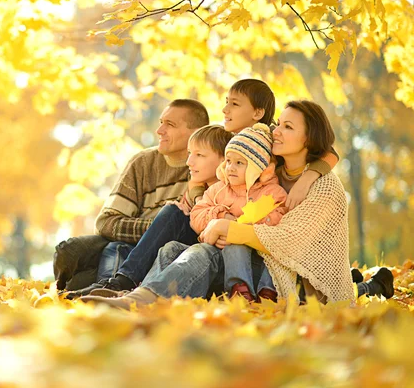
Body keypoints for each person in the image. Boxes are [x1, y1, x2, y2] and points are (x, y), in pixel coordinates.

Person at [81, 100, 393, 309]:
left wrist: (224, 226)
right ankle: (138, 295)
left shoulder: (324, 187)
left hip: (287, 279)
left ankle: (142, 301)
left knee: (203, 252)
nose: (276, 131)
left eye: (287, 127)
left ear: (309, 138)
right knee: (173, 250)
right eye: (278, 124)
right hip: (242, 262)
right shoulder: (269, 168)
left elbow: (287, 240)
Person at [53, 99, 209, 291]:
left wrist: (163, 228)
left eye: (170, 125)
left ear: (196, 133)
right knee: (69, 250)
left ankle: (108, 288)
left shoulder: (210, 166)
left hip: (172, 249)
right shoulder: (143, 163)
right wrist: (156, 229)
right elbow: (106, 222)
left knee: (85, 278)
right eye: (161, 122)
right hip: (128, 248)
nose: (159, 131)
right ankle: (107, 287)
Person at [66, 125, 233, 298]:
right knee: (122, 246)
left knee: (172, 213)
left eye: (199, 155)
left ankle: (123, 282)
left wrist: (198, 202)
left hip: (211, 258)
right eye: (190, 154)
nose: (189, 161)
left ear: (224, 161)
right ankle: (121, 285)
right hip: (190, 245)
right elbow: (105, 223)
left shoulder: (232, 190)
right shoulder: (195, 186)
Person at [190, 123, 288, 303]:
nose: (231, 168)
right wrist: (221, 216)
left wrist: (248, 227)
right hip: (224, 256)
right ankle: (239, 290)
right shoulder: (218, 190)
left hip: (260, 255)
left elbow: (282, 220)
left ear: (258, 167)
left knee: (272, 250)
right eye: (228, 161)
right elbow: (196, 215)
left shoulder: (273, 192)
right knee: (233, 243)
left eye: (239, 163)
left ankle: (268, 290)